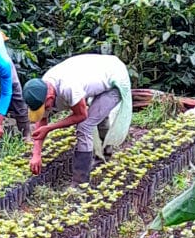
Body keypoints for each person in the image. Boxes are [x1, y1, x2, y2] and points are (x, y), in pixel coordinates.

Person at [23, 53, 133, 183]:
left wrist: (50, 128)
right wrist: (36, 154)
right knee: (97, 115)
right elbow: (42, 121)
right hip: (97, 72)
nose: (46, 109)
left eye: (45, 106)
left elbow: (81, 115)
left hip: (115, 77)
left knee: (85, 125)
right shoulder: (41, 88)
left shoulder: (68, 88)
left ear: (50, 97)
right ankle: (104, 154)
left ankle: (80, 181)